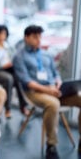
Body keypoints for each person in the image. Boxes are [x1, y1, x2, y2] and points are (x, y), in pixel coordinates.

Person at [13, 25, 81, 159]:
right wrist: (48, 91)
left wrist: (58, 83)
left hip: (54, 90)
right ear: (26, 37)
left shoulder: (45, 54)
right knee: (53, 104)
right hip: (34, 92)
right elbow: (27, 82)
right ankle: (51, 145)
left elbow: (56, 74)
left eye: (40, 37)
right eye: (35, 37)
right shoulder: (19, 56)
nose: (38, 40)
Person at [0, 24, 29, 118]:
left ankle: (22, 105)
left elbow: (15, 60)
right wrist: (2, 66)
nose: (2, 37)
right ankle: (8, 108)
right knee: (9, 79)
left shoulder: (9, 48)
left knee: (18, 77)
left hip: (10, 70)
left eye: (4, 34)